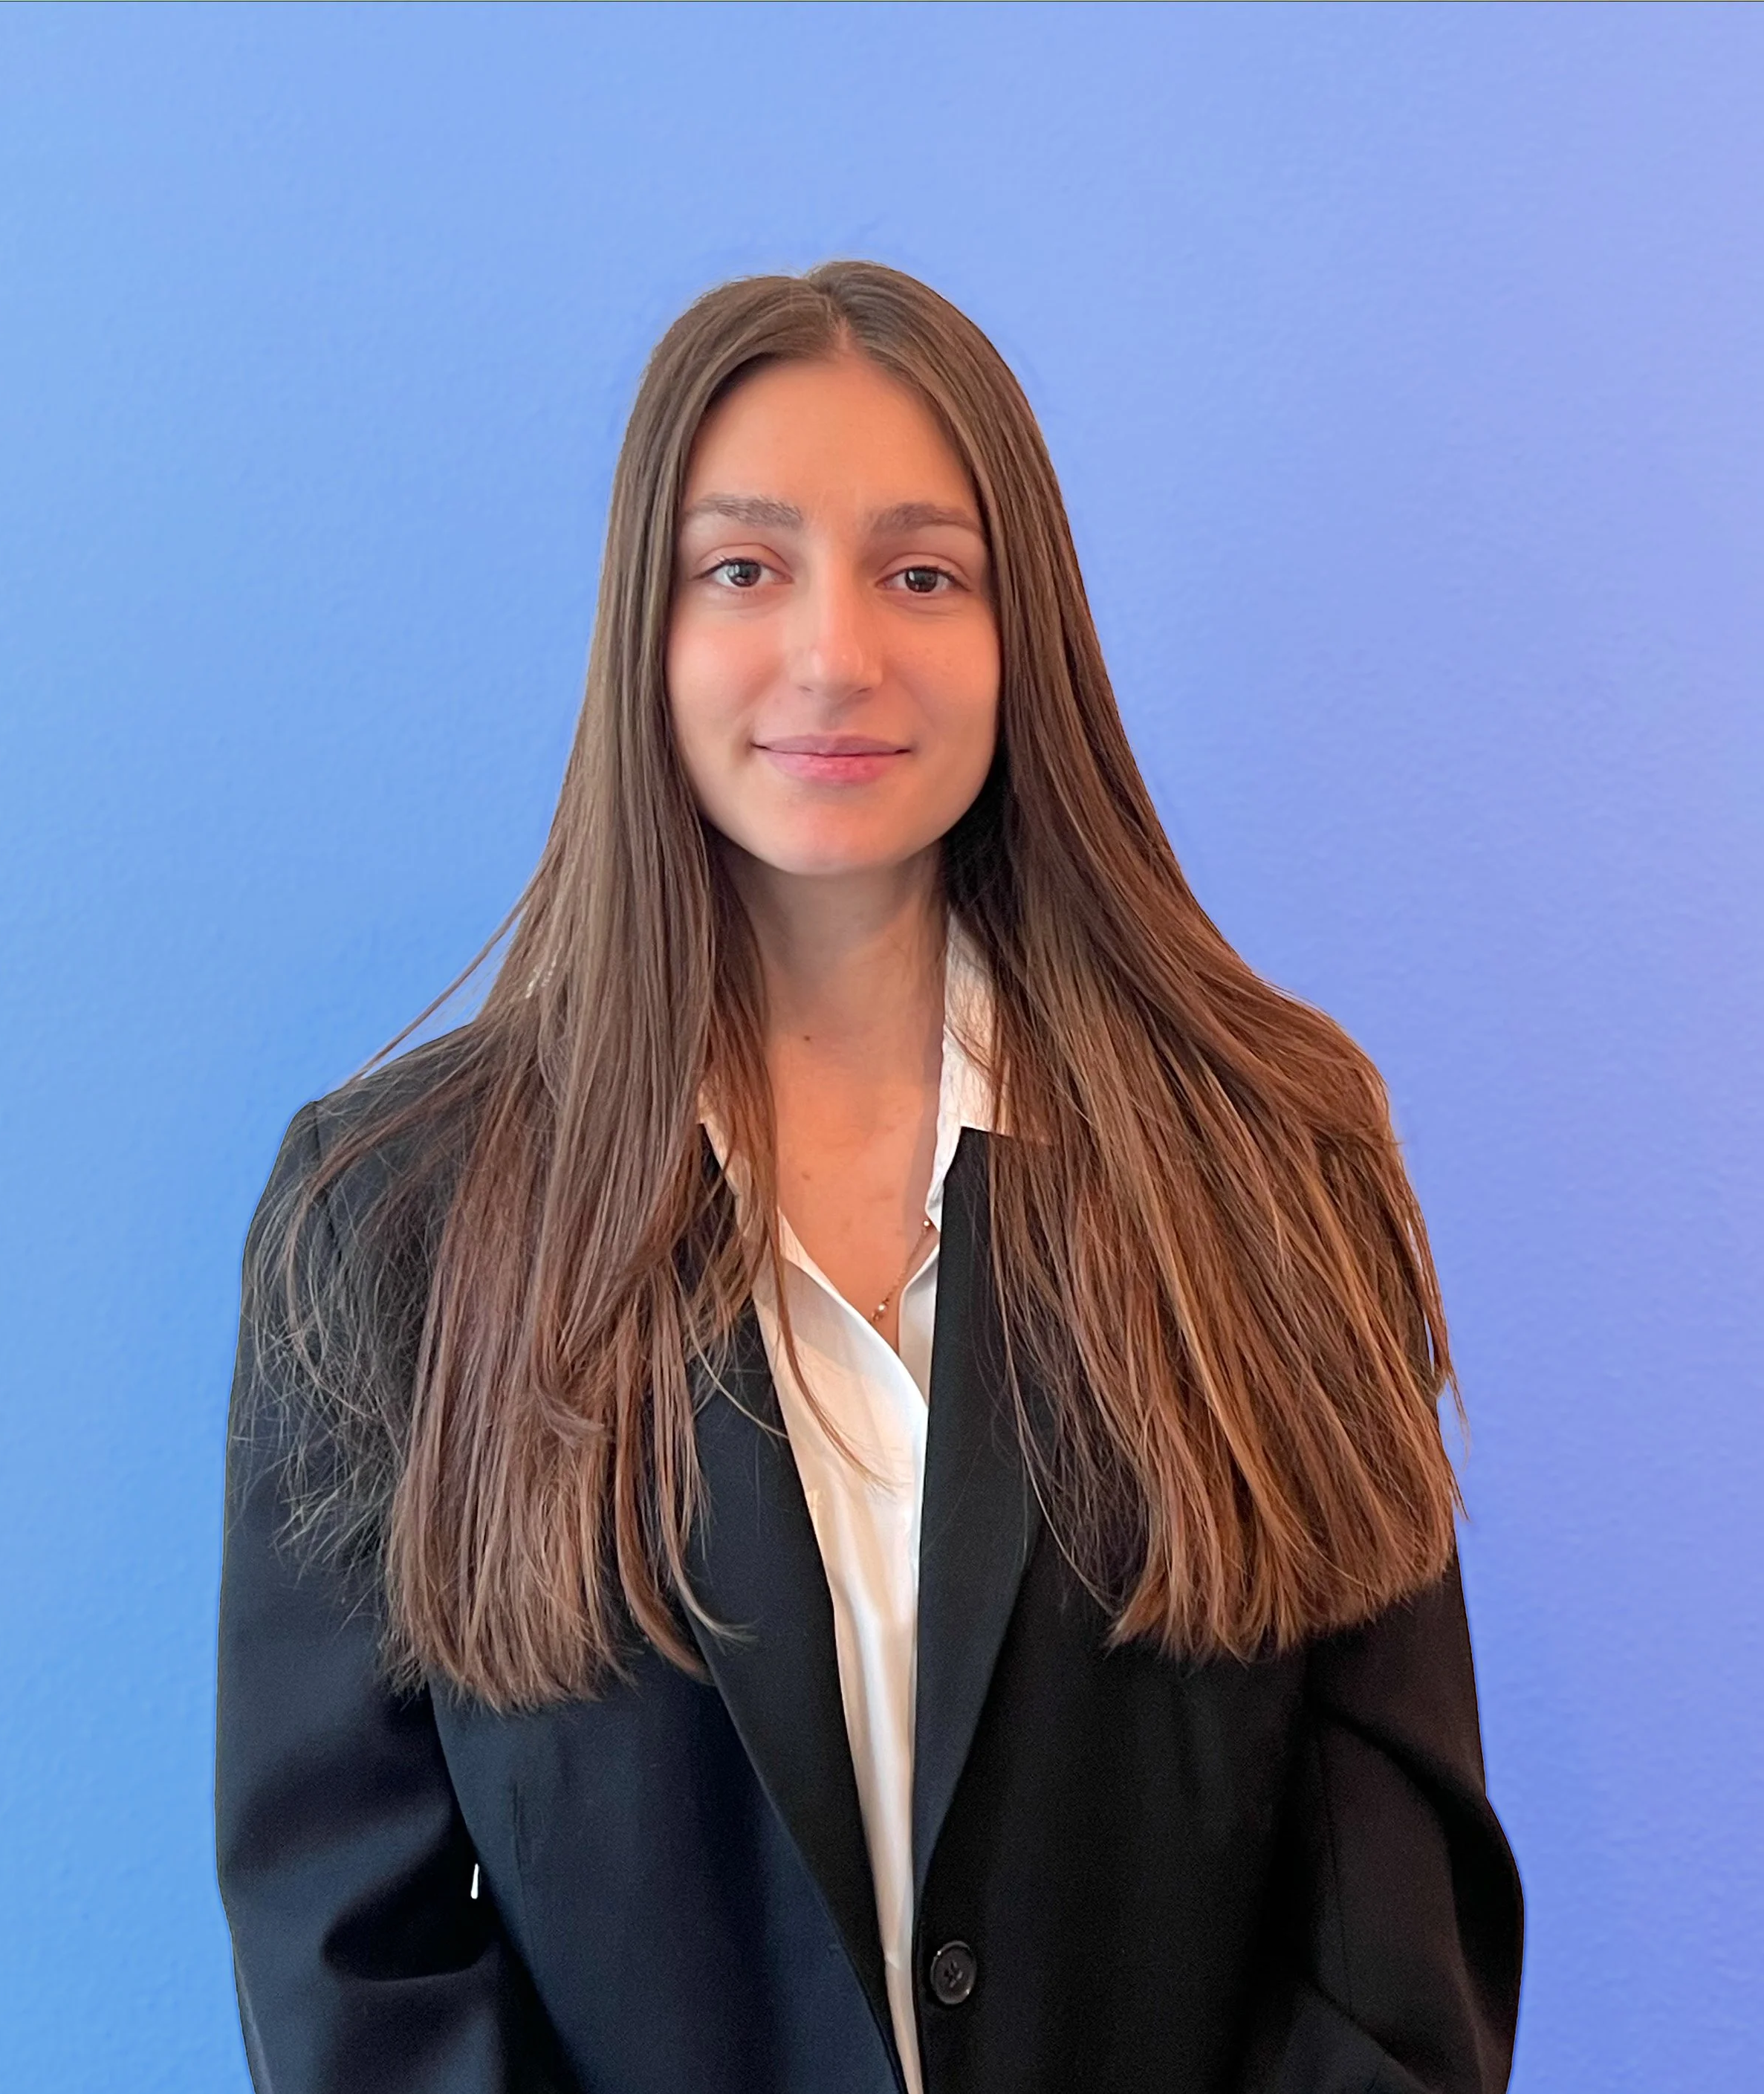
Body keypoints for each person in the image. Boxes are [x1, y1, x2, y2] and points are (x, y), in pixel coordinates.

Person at [216, 260, 1523, 2094]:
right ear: (645, 626)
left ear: (1019, 633)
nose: (835, 653)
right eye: (742, 568)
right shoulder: (387, 1226)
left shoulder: (1269, 1160)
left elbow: (1395, 1932)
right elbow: (353, 1954)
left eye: (921, 574)